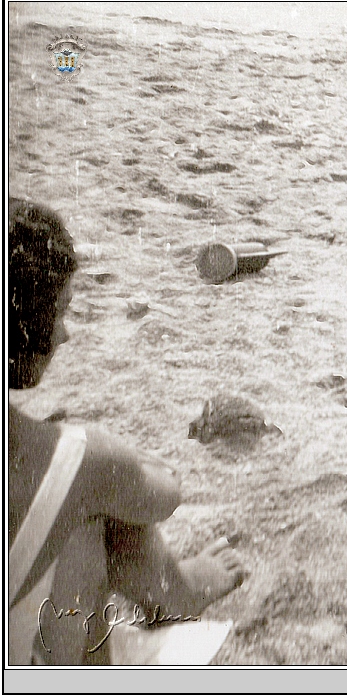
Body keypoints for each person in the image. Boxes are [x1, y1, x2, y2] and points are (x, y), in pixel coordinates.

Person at [8, 198, 246, 664]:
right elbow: (165, 494)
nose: (64, 334)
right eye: (59, 313)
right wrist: (100, 453)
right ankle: (180, 592)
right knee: (91, 513)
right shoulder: (75, 460)